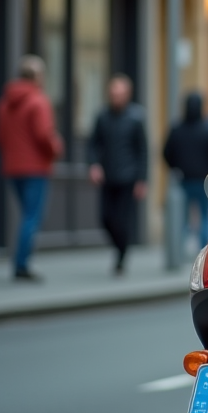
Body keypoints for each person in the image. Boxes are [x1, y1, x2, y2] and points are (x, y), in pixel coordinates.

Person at [0, 55, 63, 281]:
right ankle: (21, 265)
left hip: (12, 168)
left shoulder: (4, 103)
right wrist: (56, 148)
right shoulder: (38, 101)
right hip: (35, 168)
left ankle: (21, 263)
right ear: (37, 76)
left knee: (26, 215)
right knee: (31, 217)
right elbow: (45, 136)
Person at [89, 75, 148, 274]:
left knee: (121, 220)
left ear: (127, 95)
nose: (116, 98)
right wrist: (94, 165)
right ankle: (120, 247)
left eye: (119, 94)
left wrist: (142, 179)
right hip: (107, 176)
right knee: (105, 218)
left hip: (128, 178)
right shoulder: (102, 116)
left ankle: (121, 256)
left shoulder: (136, 117)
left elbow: (143, 151)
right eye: (113, 94)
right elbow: (94, 144)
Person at [164, 93, 208, 248]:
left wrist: (175, 166)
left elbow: (166, 152)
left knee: (182, 217)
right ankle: (204, 248)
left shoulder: (177, 129)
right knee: (205, 216)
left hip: (184, 179)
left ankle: (179, 249)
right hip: (204, 180)